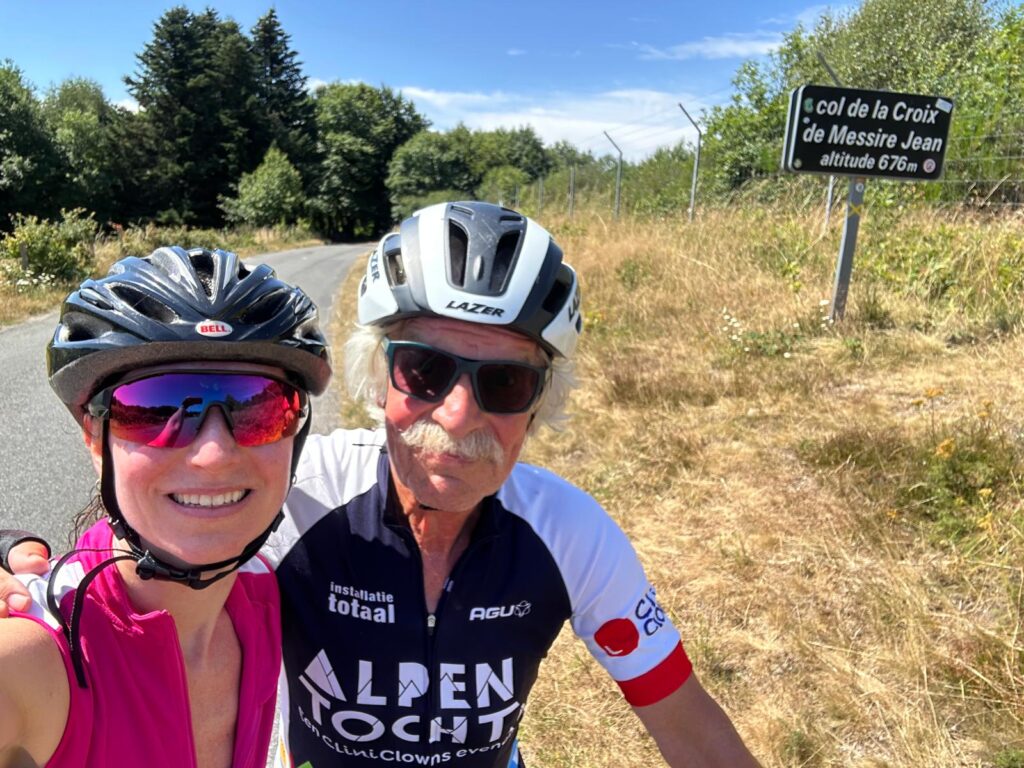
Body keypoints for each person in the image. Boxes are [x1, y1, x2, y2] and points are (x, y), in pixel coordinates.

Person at [2, 202, 760, 767]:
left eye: (504, 382)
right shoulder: (295, 493)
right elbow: (142, 556)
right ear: (378, 377)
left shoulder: (569, 533)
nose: (458, 415)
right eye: (425, 371)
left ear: (539, 404)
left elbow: (689, 725)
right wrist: (21, 563)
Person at [0, 245, 331, 767]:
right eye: (156, 407)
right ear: (94, 438)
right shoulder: (41, 649)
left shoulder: (264, 592)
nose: (214, 454)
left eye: (260, 407)